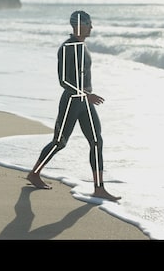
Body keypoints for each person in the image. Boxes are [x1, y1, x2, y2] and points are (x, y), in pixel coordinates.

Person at [27, 10, 121, 201]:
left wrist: (87, 96)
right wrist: (87, 94)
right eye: (89, 24)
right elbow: (63, 81)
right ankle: (34, 173)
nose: (92, 27)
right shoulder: (67, 48)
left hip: (85, 102)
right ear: (79, 25)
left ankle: (99, 188)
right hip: (71, 101)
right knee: (59, 142)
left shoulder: (83, 46)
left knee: (96, 141)